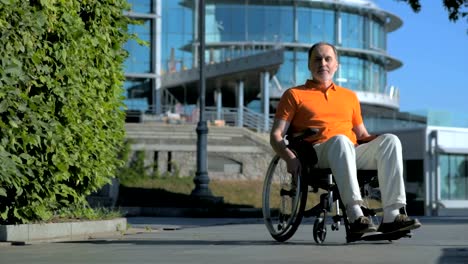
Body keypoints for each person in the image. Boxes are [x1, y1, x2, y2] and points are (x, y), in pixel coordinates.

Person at [270, 42, 421, 234]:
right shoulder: (294, 95)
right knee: (340, 140)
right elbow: (276, 135)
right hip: (316, 152)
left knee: (391, 140)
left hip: (350, 150)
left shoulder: (349, 97)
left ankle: (392, 215)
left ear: (336, 65)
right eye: (317, 59)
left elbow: (362, 135)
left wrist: (380, 141)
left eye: (328, 59)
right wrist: (288, 157)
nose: (322, 63)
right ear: (309, 65)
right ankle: (355, 214)